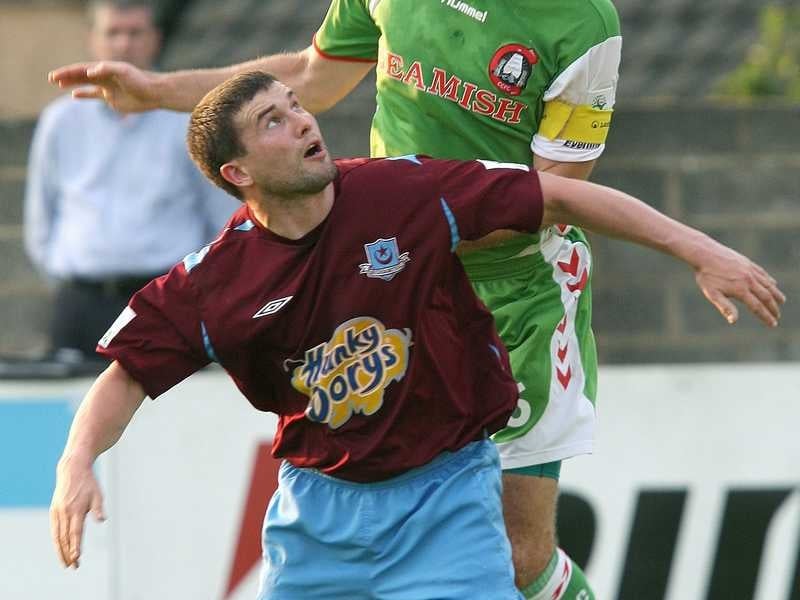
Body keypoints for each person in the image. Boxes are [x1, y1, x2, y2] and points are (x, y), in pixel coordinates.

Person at [50, 72, 783, 599]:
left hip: (448, 494)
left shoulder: (402, 192)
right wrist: (78, 461)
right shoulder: (216, 281)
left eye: (296, 106)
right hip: (318, 518)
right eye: (274, 121)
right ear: (236, 172)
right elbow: (128, 373)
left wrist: (700, 250)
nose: (305, 122)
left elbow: (554, 193)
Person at [25, 0, 237, 360]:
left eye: (134, 33)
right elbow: (41, 220)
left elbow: (222, 218)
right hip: (81, 304)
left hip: (164, 299)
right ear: (93, 40)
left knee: (168, 413)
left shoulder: (190, 120)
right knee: (80, 414)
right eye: (113, 33)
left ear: (155, 39)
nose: (123, 44)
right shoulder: (59, 122)